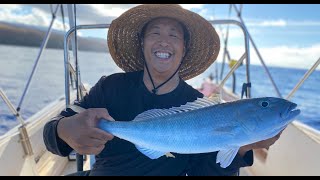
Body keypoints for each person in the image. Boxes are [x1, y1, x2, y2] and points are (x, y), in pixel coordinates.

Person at [43, 4, 283, 176]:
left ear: (184, 48)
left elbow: (204, 172)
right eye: (155, 33)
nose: (164, 41)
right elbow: (53, 138)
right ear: (142, 43)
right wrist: (64, 130)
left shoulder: (197, 103)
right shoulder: (111, 85)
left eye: (174, 35)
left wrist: (242, 146)